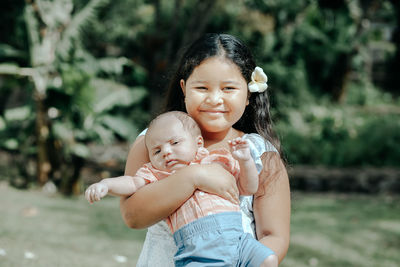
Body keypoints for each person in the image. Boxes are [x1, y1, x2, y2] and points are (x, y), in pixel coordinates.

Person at [120, 33, 291, 266]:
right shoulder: (153, 144)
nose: (214, 99)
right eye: (202, 87)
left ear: (249, 93)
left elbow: (274, 235)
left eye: (229, 88)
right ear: (184, 88)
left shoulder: (261, 155)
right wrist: (194, 177)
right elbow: (133, 216)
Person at [85, 111, 277, 266]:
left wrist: (245, 161)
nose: (166, 152)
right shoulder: (158, 174)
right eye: (157, 151)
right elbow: (132, 183)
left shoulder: (217, 159)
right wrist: (106, 185)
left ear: (198, 143)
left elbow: (248, 187)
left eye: (175, 143)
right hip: (198, 246)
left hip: (237, 238)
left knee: (268, 259)